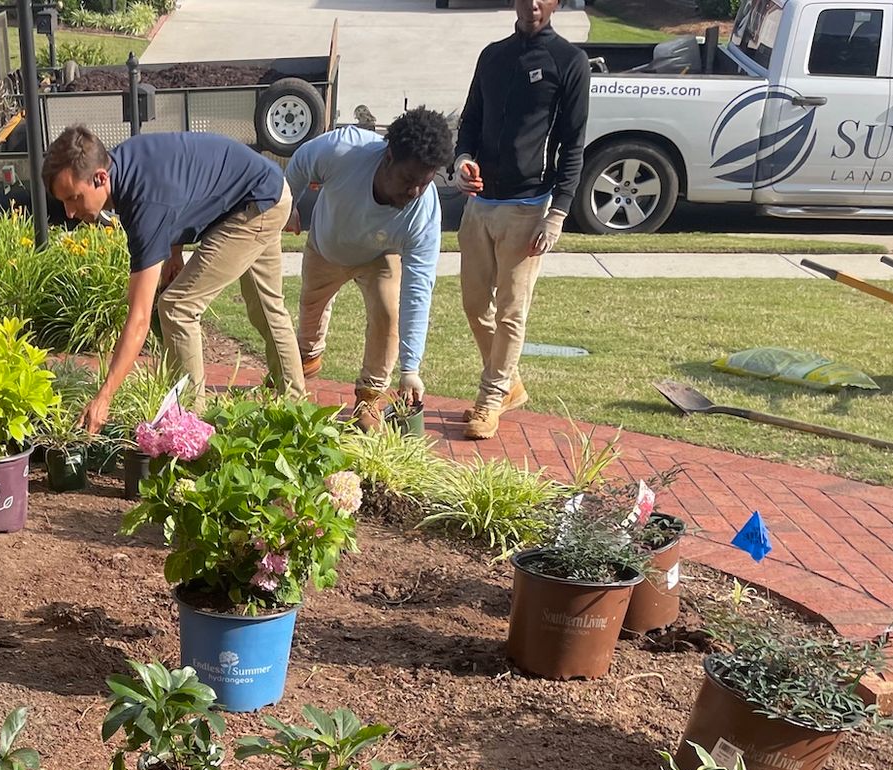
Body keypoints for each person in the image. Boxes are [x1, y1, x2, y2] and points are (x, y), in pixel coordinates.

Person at [42, 126, 305, 433]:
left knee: (177, 307)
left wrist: (104, 396)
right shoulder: (125, 164)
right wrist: (174, 251)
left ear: (100, 178)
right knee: (264, 306)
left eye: (74, 198)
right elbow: (181, 181)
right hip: (261, 187)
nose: (70, 212)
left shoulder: (143, 203)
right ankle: (294, 409)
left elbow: (137, 319)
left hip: (257, 204)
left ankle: (190, 427)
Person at [453, 0, 590, 440]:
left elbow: (573, 143)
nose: (533, 4)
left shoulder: (569, 61)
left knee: (512, 310)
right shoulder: (493, 55)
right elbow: (471, 119)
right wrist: (462, 161)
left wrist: (558, 214)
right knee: (475, 305)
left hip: (530, 206)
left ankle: (490, 398)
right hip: (480, 205)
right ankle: (509, 382)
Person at [286, 107, 452, 432]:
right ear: (388, 158)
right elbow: (302, 160)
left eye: (425, 181)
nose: (414, 192)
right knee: (309, 310)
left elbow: (417, 291)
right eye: (408, 180)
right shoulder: (344, 150)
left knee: (387, 315)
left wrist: (411, 369)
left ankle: (369, 399)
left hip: (380, 254)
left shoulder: (423, 212)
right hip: (327, 247)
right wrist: (288, 202)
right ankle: (304, 363)